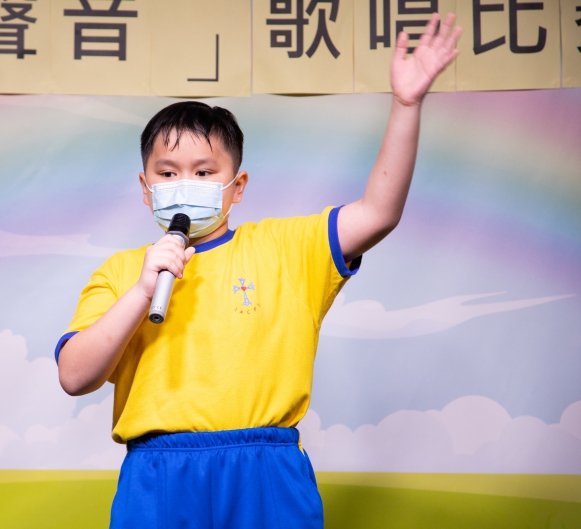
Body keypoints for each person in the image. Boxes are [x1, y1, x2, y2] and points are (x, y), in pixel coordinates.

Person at [56, 13, 462, 529]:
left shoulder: (285, 248)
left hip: (265, 469)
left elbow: (379, 212)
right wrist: (140, 291)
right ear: (145, 187)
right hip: (158, 477)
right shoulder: (120, 272)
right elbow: (74, 376)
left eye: (205, 172)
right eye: (168, 172)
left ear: (238, 186)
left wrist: (405, 105)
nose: (185, 184)